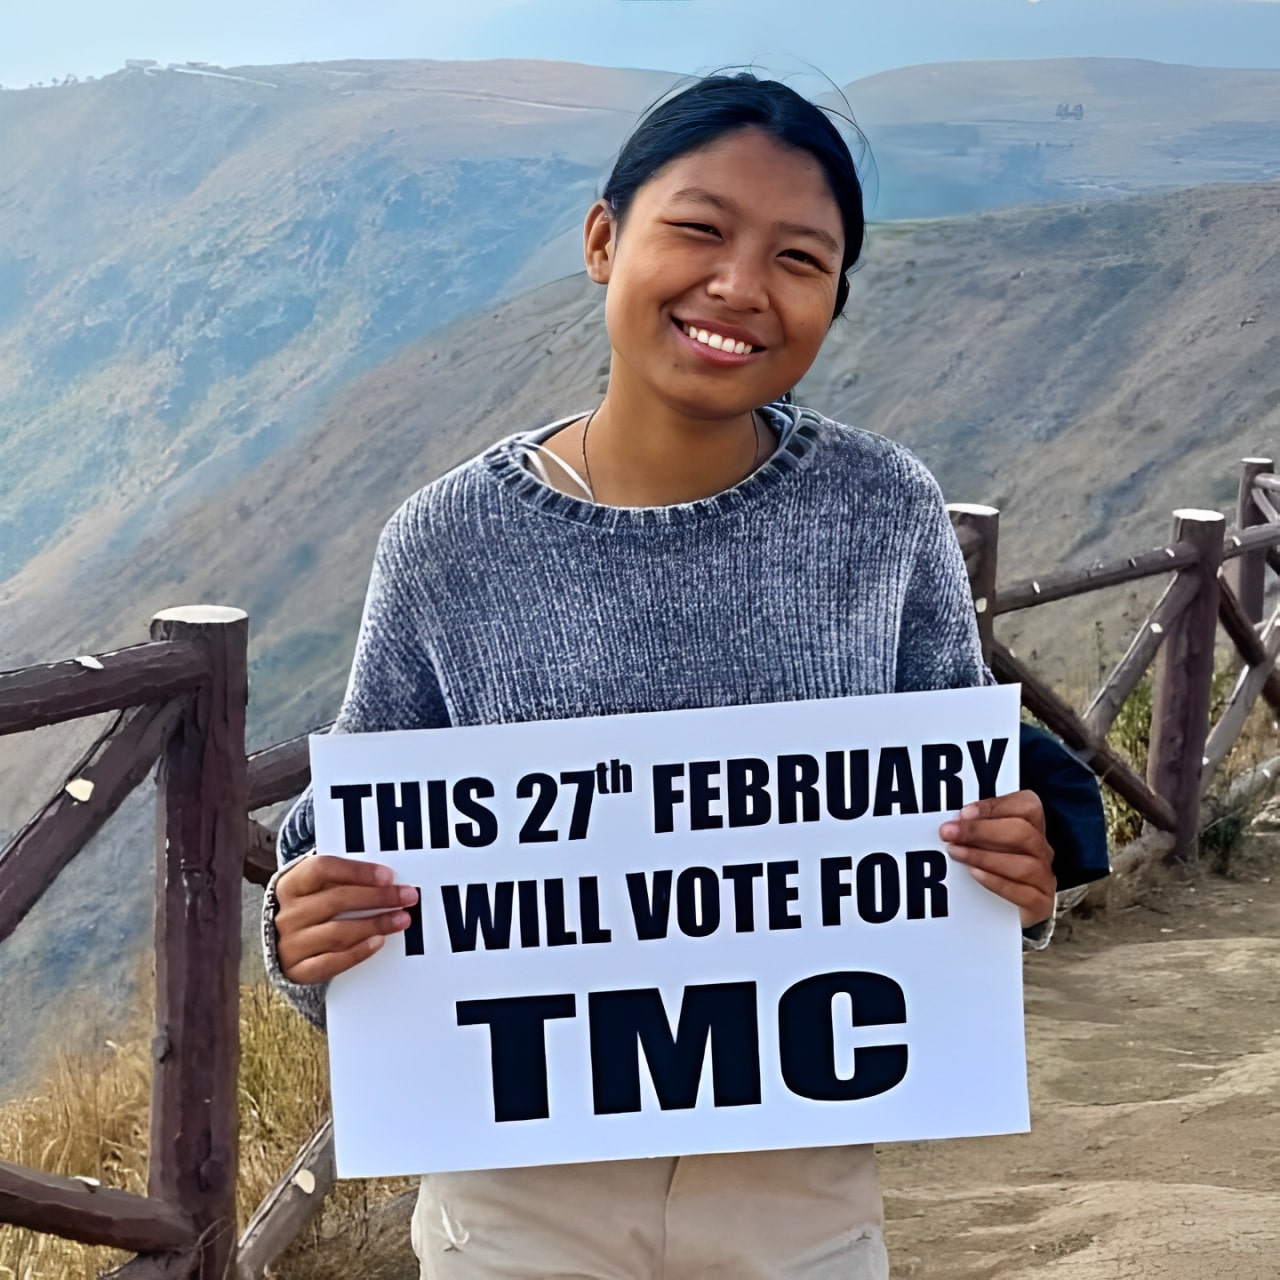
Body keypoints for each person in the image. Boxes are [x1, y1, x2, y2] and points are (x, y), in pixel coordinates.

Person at [262, 72, 1058, 1280]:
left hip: (797, 1189)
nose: (738, 285)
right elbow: (348, 848)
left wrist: (1014, 876)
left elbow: (960, 822)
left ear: (834, 297)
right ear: (602, 239)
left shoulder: (880, 508)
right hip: (520, 1200)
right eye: (698, 228)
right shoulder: (449, 540)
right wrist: (307, 928)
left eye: (798, 257)